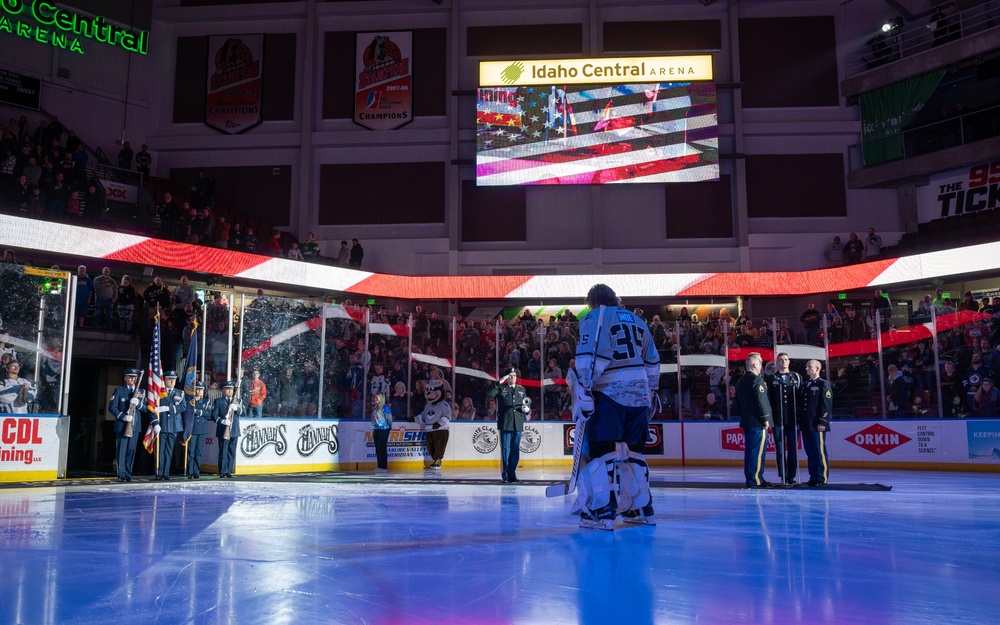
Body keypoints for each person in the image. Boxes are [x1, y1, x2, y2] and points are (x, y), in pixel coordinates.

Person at [574, 284, 660, 529]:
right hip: (640, 395)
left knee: (603, 453)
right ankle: (641, 508)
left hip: (609, 393)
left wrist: (585, 390)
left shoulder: (595, 316)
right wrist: (650, 392)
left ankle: (602, 511)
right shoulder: (636, 319)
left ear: (592, 302)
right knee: (633, 453)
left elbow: (591, 356)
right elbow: (653, 359)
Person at [733, 352, 773, 489]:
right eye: (761, 363)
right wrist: (765, 418)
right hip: (757, 421)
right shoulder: (757, 380)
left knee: (750, 451)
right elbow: (761, 401)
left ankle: (752, 478)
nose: (762, 366)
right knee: (757, 451)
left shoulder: (740, 381)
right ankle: (756, 479)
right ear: (755, 365)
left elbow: (737, 403)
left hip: (746, 420)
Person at [486, 367, 531, 482]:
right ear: (506, 377)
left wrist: (526, 410)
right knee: (506, 450)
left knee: (515, 450)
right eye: (510, 376)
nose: (513, 378)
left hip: (518, 423)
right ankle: (505, 474)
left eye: (514, 375)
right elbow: (490, 394)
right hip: (506, 423)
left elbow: (525, 404)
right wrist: (500, 382)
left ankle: (512, 474)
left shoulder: (521, 389)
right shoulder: (502, 388)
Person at [108, 368, 153, 482]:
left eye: (134, 377)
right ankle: (121, 474)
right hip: (122, 425)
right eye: (130, 377)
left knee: (131, 450)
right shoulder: (119, 391)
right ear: (125, 378)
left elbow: (145, 408)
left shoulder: (141, 392)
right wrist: (123, 416)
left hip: (135, 425)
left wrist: (138, 404)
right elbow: (112, 407)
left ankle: (128, 473)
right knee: (122, 450)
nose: (132, 379)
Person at [768, 352, 802, 485]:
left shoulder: (796, 377)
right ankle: (783, 474)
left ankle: (791, 475)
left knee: (793, 449)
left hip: (793, 419)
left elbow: (800, 398)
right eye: (781, 360)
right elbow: (769, 399)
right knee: (780, 449)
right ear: (777, 362)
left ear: (789, 362)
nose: (783, 362)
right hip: (778, 419)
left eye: (786, 359)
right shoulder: (771, 379)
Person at [799, 359, 832, 487]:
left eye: (809, 366)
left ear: (817, 368)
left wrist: (822, 421)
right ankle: (813, 476)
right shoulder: (805, 385)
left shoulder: (823, 384)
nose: (807, 368)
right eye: (806, 366)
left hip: (817, 424)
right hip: (807, 423)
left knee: (819, 451)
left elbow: (826, 405)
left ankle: (821, 477)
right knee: (810, 451)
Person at [415, 378, 451, 469]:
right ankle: (434, 459)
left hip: (440, 430)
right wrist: (413, 418)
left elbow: (446, 416)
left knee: (439, 446)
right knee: (430, 447)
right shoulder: (428, 405)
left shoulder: (444, 405)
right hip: (429, 429)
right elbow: (423, 416)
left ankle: (438, 460)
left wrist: (438, 424)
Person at [211, 380, 244, 478]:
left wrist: (237, 409)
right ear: (222, 390)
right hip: (223, 430)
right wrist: (221, 421)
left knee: (231, 451)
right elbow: (214, 415)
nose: (230, 391)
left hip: (234, 430)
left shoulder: (238, 401)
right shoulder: (218, 401)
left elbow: (244, 412)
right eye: (228, 389)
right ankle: (222, 471)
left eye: (231, 389)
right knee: (223, 451)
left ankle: (228, 471)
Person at [156, 371, 184, 480]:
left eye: (174, 379)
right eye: (169, 379)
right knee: (161, 450)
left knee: (169, 450)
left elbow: (183, 407)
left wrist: (170, 409)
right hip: (162, 424)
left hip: (174, 425)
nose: (172, 381)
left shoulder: (180, 393)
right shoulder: (159, 393)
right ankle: (159, 472)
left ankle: (166, 473)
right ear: (165, 380)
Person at [186, 381, 212, 479]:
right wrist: (201, 412)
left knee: (199, 452)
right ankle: (190, 471)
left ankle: (197, 471)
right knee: (191, 451)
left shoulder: (206, 401)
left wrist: (198, 412)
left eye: (201, 389)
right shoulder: (191, 401)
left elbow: (208, 413)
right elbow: (188, 412)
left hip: (202, 428)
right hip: (192, 428)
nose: (199, 391)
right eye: (198, 389)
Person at [370, 392, 392, 474]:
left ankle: (383, 467)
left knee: (382, 449)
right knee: (378, 449)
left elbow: (389, 419)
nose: (375, 399)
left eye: (376, 397)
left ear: (380, 398)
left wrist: (388, 428)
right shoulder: (376, 408)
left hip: (383, 430)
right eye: (374, 397)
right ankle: (380, 466)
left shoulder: (385, 408)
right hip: (376, 429)